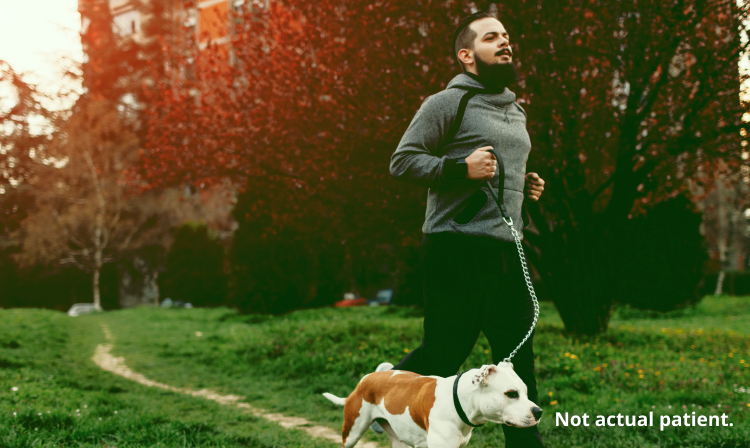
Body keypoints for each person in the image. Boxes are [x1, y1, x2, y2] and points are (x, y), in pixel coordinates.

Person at [374, 10, 546, 447]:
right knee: (445, 353)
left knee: (517, 358)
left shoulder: (515, 109)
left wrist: (522, 185)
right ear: (468, 55)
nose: (505, 42)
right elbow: (403, 161)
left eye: (506, 36)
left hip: (507, 250)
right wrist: (460, 168)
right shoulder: (447, 103)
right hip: (455, 248)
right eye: (492, 38)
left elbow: (496, 170)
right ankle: (379, 400)